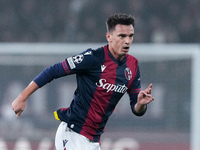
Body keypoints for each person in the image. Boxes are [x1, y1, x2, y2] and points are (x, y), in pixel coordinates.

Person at [12, 14, 154, 150]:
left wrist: (140, 104)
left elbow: (137, 109)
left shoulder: (133, 66)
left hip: (93, 140)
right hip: (73, 132)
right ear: (109, 37)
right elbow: (53, 71)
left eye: (130, 36)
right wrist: (22, 97)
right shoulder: (92, 58)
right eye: (122, 36)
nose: (127, 41)